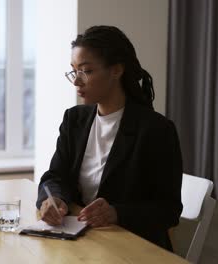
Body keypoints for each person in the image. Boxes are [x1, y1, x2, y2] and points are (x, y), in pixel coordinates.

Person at [36, 25, 183, 251]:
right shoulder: (74, 120)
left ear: (116, 70)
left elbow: (168, 210)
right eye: (74, 71)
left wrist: (117, 212)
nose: (77, 81)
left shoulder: (156, 129)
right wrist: (55, 198)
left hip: (132, 248)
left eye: (86, 71)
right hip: (84, 241)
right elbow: (56, 175)